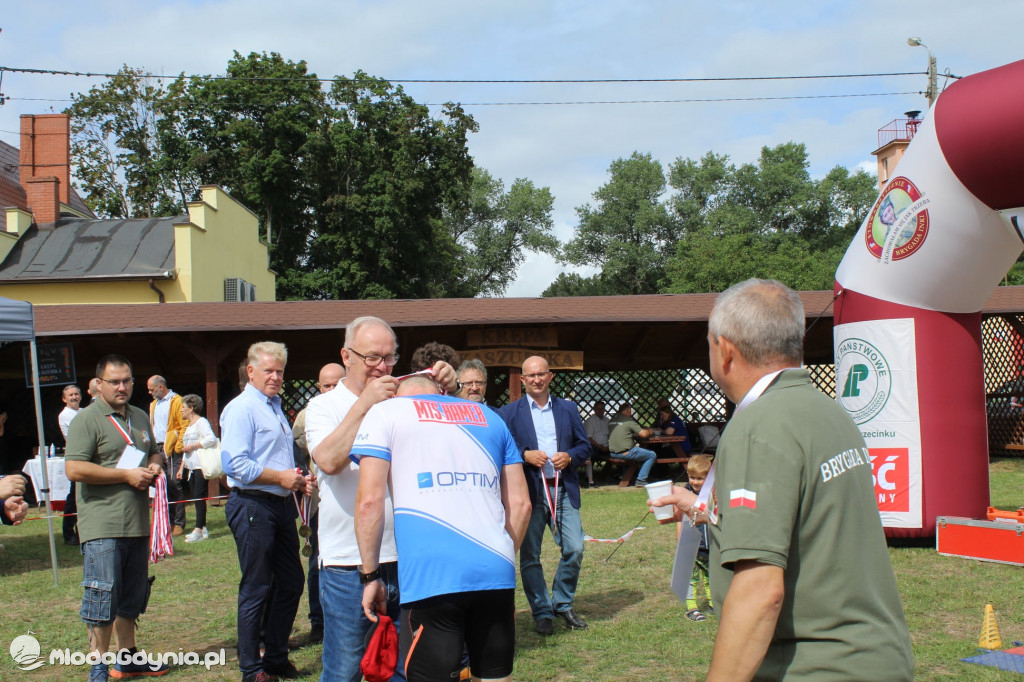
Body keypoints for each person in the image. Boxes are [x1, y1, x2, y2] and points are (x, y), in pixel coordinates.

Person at [651, 279, 914, 681]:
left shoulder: (758, 426)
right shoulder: (828, 412)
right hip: (874, 656)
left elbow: (760, 590)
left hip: (815, 666)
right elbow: (805, 518)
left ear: (725, 350)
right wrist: (704, 508)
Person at [305, 317, 459, 681]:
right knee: (344, 670)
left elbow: (450, 446)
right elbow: (328, 461)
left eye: (390, 358)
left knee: (405, 668)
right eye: (373, 357)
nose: (383, 367)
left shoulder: (404, 400)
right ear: (347, 356)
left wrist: (448, 393)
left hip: (408, 556)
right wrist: (365, 404)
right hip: (348, 564)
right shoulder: (324, 406)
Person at [354, 374, 532, 682]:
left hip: (430, 574)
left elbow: (369, 502)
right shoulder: (489, 416)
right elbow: (521, 504)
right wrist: (500, 554)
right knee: (494, 676)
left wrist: (370, 575)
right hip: (494, 569)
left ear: (397, 394)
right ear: (441, 390)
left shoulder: (386, 412)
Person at [64, 354, 168, 681]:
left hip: (136, 522)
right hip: (102, 524)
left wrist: (154, 465)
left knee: (132, 596)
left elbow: (154, 451)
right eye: (114, 382)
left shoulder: (139, 415)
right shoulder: (87, 419)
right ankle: (98, 667)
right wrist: (125, 475)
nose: (122, 387)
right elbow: (74, 468)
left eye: (127, 381)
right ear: (99, 384)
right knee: (102, 597)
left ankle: (128, 658)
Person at [220, 342, 314, 682]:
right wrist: (281, 478)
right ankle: (251, 668)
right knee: (257, 586)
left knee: (291, 581)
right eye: (268, 371)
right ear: (251, 371)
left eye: (280, 372)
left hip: (279, 504)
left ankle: (275, 657)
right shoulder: (241, 408)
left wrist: (297, 478)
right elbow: (234, 464)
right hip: (252, 504)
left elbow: (276, 458)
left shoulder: (273, 407)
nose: (275, 377)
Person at [498, 356, 591, 635]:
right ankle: (541, 611)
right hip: (530, 492)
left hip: (563, 490)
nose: (537, 380)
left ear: (550, 376)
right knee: (530, 556)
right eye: (531, 375)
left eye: (541, 374)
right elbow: (501, 448)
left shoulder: (568, 409)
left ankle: (562, 603)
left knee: (574, 548)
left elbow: (585, 446)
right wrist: (525, 454)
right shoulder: (508, 413)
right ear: (523, 380)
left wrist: (570, 456)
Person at [292, 362, 345, 646]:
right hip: (319, 502)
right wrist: (304, 477)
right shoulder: (306, 415)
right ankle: (318, 622)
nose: (332, 390)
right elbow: (295, 454)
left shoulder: (359, 409)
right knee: (318, 561)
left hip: (353, 500)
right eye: (327, 385)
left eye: (337, 384)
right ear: (318, 386)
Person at [147, 376, 188, 537]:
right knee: (161, 485)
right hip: (157, 448)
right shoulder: (153, 404)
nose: (150, 392)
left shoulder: (177, 401)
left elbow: (184, 424)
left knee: (174, 484)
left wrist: (178, 446)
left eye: (152, 389)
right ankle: (167, 521)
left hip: (171, 448)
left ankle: (178, 523)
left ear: (161, 387)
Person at [175, 394, 217, 543]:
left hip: (200, 465)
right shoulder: (188, 426)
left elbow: (211, 438)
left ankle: (198, 529)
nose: (181, 410)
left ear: (191, 408)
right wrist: (181, 467)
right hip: (191, 467)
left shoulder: (202, 422)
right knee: (195, 496)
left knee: (199, 496)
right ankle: (203, 527)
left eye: (183, 407)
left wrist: (194, 445)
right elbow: (186, 449)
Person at [681, 454, 713, 622]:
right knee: (691, 577)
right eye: (692, 477)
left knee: (711, 576)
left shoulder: (713, 494)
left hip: (711, 545)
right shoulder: (684, 494)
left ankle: (713, 603)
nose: (695, 482)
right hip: (692, 544)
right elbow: (680, 520)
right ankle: (691, 608)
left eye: (700, 478)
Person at [607, 403, 657, 487]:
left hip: (613, 452)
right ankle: (641, 479)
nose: (631, 414)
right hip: (625, 452)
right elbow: (644, 434)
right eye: (630, 411)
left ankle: (624, 475)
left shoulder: (612, 420)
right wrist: (650, 431)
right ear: (627, 410)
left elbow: (621, 433)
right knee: (652, 455)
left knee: (636, 453)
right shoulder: (628, 421)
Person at [59, 384, 83, 545]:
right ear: (64, 399)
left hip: (86, 457)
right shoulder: (65, 415)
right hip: (76, 457)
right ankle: (68, 533)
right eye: (70, 395)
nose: (74, 397)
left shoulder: (83, 411)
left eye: (76, 394)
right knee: (74, 497)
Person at [581, 400, 610, 488]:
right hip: (595, 446)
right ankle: (589, 477)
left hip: (606, 446)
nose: (600, 411)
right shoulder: (590, 421)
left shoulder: (607, 420)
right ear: (594, 409)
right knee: (590, 455)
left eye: (602, 409)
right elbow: (589, 439)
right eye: (598, 409)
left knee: (620, 453)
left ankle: (618, 474)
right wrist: (600, 447)